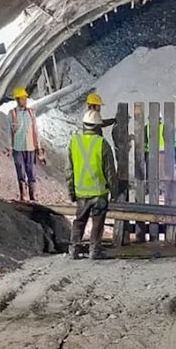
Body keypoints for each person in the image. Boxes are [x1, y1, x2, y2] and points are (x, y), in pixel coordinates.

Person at [67, 110, 118, 259]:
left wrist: (71, 191)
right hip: (99, 192)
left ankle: (74, 249)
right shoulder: (102, 144)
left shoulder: (74, 142)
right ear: (98, 127)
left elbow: (68, 170)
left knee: (79, 221)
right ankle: (94, 250)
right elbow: (110, 171)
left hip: (81, 192)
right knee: (98, 222)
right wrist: (114, 192)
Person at [7, 87, 45, 202]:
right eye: (22, 98)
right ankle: (23, 196)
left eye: (25, 98)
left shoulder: (31, 113)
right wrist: (10, 147)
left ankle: (33, 196)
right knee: (20, 170)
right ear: (17, 100)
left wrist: (38, 148)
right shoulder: (12, 113)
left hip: (30, 147)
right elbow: (9, 131)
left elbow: (35, 131)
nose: (25, 100)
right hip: (18, 148)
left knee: (31, 171)